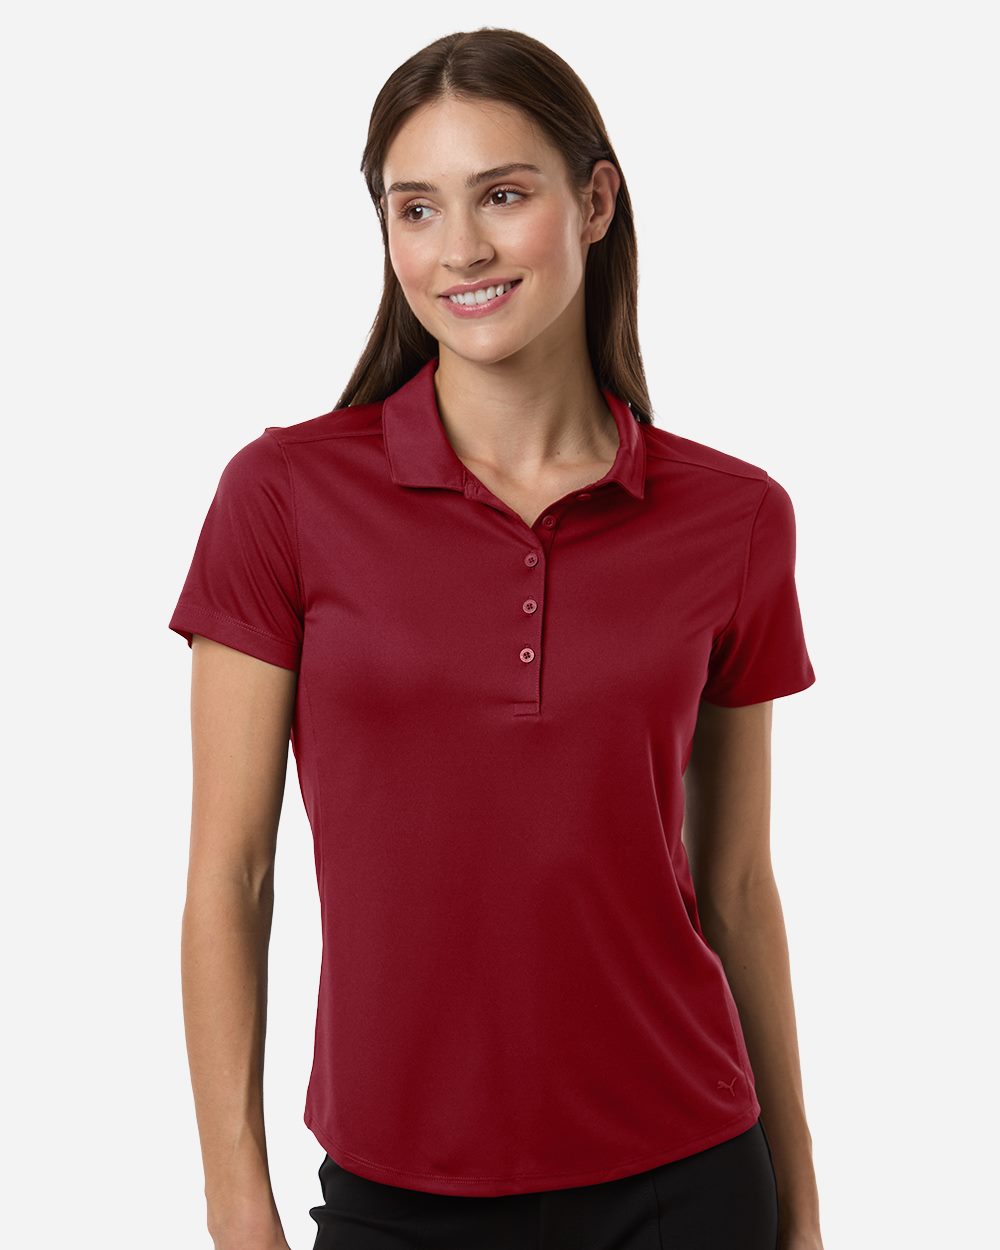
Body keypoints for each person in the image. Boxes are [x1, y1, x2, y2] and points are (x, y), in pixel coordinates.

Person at [169, 26, 824, 1250]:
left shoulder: (734, 517)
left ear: (594, 202)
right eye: (415, 208)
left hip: (688, 1179)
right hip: (399, 1193)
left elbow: (736, 882)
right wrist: (236, 1207)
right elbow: (231, 874)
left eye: (503, 195)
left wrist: (801, 1204)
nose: (459, 248)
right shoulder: (284, 497)